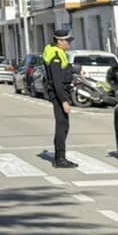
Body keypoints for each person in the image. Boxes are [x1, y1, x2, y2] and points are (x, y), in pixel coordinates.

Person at [42, 36, 76, 168]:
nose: (69, 43)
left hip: (61, 94)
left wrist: (76, 70)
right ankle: (60, 159)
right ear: (59, 41)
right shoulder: (55, 56)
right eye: (67, 41)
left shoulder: (59, 53)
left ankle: (60, 157)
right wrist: (64, 101)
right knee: (62, 126)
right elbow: (57, 81)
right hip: (59, 95)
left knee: (64, 126)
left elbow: (65, 70)